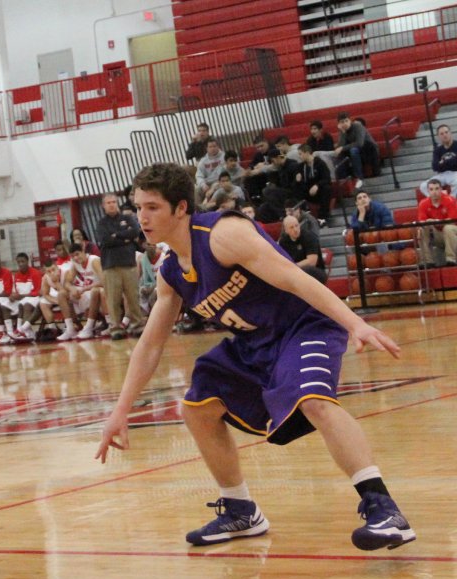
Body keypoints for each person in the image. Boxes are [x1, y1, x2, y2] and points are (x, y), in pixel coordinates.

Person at [96, 162, 415, 554]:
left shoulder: (223, 235)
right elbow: (150, 345)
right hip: (254, 344)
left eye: (152, 208)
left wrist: (354, 325)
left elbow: (295, 278)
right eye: (138, 207)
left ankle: (383, 508)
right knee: (197, 406)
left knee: (314, 400)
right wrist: (120, 410)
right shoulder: (170, 272)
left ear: (181, 208)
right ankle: (240, 509)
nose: (141, 217)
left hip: (302, 326)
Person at [95, 192, 145, 340]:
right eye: (108, 202)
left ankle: (138, 325)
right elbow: (105, 240)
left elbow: (135, 231)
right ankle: (116, 328)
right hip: (110, 265)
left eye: (114, 202)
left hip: (128, 263)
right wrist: (125, 238)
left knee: (133, 297)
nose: (112, 205)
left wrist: (116, 236)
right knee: (113, 299)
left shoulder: (128, 218)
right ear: (103, 206)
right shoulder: (101, 223)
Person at [417, 179, 457, 266]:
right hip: (437, 234)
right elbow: (422, 222)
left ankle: (451, 259)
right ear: (428, 191)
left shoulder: (450, 200)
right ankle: (428, 261)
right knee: (422, 229)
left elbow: (453, 221)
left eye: (436, 189)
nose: (434, 192)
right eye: (431, 189)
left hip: (452, 233)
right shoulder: (423, 204)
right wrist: (429, 222)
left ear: (441, 189)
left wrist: (435, 222)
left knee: (448, 228)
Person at [335, 112, 380, 189]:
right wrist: (342, 132)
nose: (345, 123)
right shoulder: (343, 131)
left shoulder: (358, 126)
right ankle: (343, 180)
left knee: (353, 150)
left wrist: (342, 148)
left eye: (346, 121)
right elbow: (340, 147)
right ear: (339, 124)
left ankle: (359, 178)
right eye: (342, 122)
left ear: (350, 121)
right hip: (357, 153)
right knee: (340, 154)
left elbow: (359, 143)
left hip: (369, 150)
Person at [279, 214, 327, 283]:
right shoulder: (283, 242)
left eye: (296, 225)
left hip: (316, 271)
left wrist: (294, 266)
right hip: (296, 272)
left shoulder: (309, 237)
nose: (295, 229)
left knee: (305, 272)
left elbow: (312, 262)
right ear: (286, 230)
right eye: (291, 227)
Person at [294, 144, 332, 223]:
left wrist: (317, 185)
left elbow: (327, 178)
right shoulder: (300, 167)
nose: (299, 156)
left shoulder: (320, 163)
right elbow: (298, 181)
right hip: (307, 191)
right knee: (295, 188)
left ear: (307, 153)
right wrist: (298, 179)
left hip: (319, 191)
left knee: (327, 188)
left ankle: (322, 217)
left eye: (300, 154)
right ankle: (304, 211)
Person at [419, 123, 457, 197]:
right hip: (442, 175)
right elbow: (435, 166)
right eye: (441, 134)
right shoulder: (437, 150)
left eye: (446, 132)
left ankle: (451, 202)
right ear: (439, 136)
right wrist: (452, 161)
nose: (444, 135)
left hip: (455, 173)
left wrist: (443, 162)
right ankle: (439, 201)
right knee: (423, 186)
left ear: (450, 133)